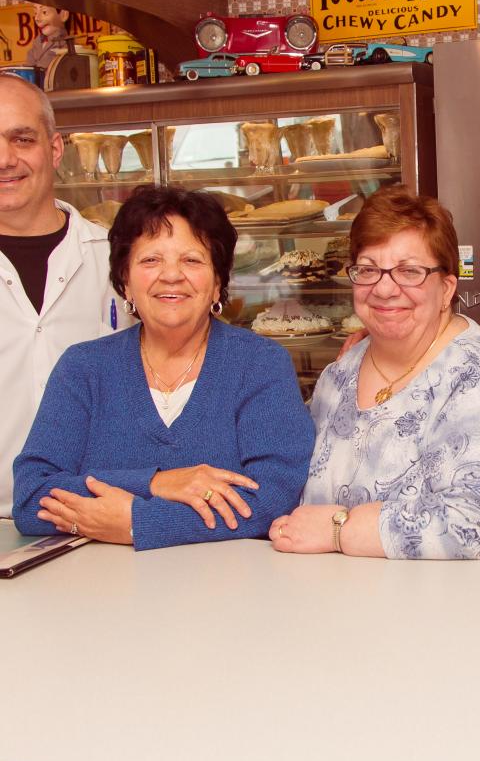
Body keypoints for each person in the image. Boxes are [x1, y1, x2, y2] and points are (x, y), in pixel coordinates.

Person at [13, 186, 315, 550]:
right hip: (98, 595)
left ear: (218, 282)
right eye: (150, 260)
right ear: (125, 281)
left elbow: (273, 499)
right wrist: (158, 483)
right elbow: (31, 498)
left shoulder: (259, 364)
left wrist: (137, 522)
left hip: (230, 594)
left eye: (192, 260)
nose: (171, 276)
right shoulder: (82, 368)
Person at [270, 186, 480, 561]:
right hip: (341, 606)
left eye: (409, 272)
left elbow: (478, 528)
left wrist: (339, 528)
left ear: (447, 288)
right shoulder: (339, 375)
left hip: (457, 612)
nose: (384, 288)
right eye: (368, 270)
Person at [0, 73, 128, 520]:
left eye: (22, 139)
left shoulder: (118, 260)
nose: (4, 159)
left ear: (54, 149)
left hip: (101, 516)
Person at [26, 5, 70, 70]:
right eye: (35, 13)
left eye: (44, 12)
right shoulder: (37, 42)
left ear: (63, 15)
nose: (37, 18)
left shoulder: (65, 43)